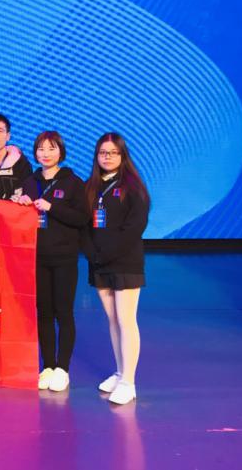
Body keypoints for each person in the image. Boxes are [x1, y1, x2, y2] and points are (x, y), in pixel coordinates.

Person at [17, 132, 90, 392]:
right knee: (44, 312)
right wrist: (19, 204)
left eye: (51, 148)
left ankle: (62, 368)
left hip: (64, 257)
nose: (45, 154)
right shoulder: (29, 181)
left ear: (61, 152)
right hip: (36, 257)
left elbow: (82, 218)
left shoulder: (73, 182)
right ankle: (47, 366)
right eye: (41, 149)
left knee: (63, 312)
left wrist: (52, 207)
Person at [83, 132, 150, 405]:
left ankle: (129, 382)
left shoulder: (133, 187)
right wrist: (92, 253)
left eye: (112, 152)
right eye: (102, 152)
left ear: (123, 156)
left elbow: (135, 227)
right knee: (112, 320)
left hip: (125, 262)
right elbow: (84, 225)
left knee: (126, 319)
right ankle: (120, 372)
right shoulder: (91, 186)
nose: (107, 157)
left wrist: (108, 253)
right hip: (99, 263)